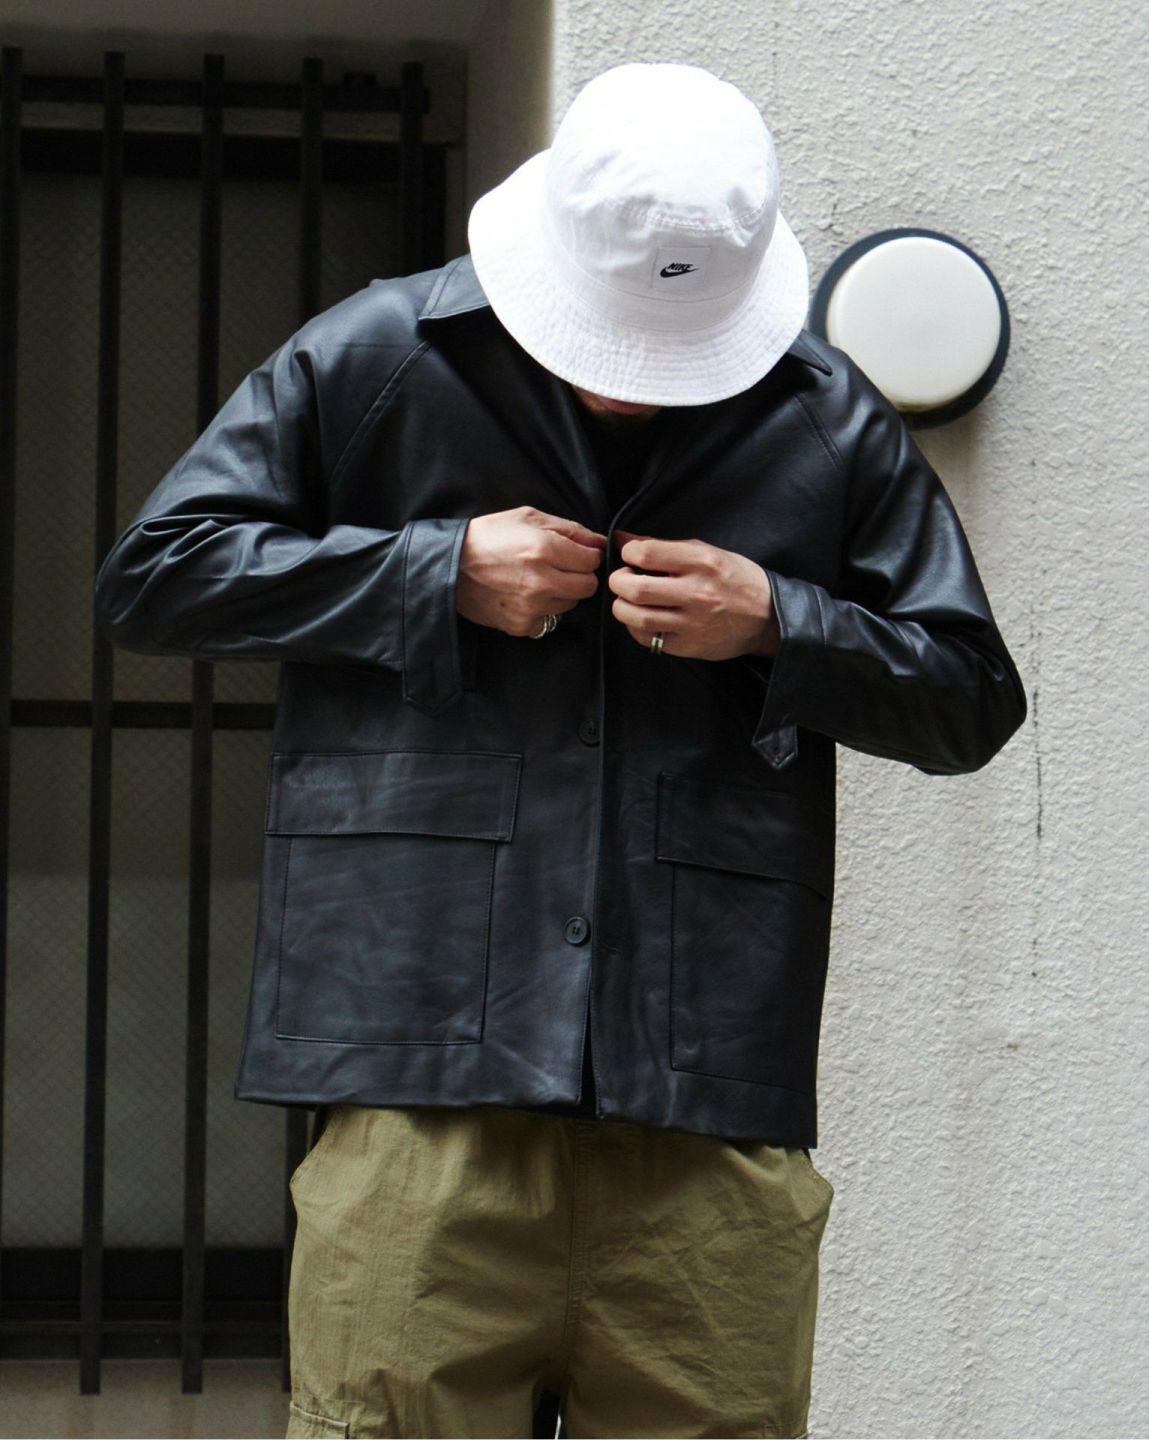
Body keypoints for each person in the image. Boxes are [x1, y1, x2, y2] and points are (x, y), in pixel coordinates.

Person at [95, 60, 1025, 1440]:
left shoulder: (824, 416)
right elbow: (155, 577)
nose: (636, 387)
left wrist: (782, 622)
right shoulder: (381, 353)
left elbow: (972, 698)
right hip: (418, 1087)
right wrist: (430, 572)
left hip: (705, 1106)